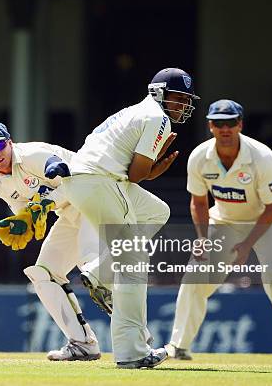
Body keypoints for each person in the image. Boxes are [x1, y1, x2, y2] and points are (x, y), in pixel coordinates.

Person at [46, 68, 200, 369]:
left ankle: (100, 270)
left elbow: (132, 176)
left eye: (185, 100)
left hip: (85, 182)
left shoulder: (136, 110)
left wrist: (149, 167)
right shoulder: (158, 117)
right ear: (159, 93)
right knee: (132, 265)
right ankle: (133, 354)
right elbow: (137, 174)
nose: (182, 105)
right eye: (178, 98)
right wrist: (155, 167)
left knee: (158, 211)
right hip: (100, 182)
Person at [165, 99, 272, 363]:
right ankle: (178, 347)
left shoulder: (261, 156)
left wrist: (247, 245)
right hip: (224, 222)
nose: (225, 129)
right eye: (219, 123)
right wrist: (202, 239)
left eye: (231, 123)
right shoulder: (200, 157)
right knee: (195, 277)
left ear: (240, 124)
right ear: (210, 125)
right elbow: (199, 202)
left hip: (268, 222)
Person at [0, 121, 102, 361]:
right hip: (70, 215)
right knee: (44, 274)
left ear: (10, 142)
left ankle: (138, 342)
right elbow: (26, 210)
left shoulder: (33, 155)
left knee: (93, 268)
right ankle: (83, 344)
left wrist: (46, 203)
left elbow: (73, 179)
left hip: (95, 201)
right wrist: (23, 221)